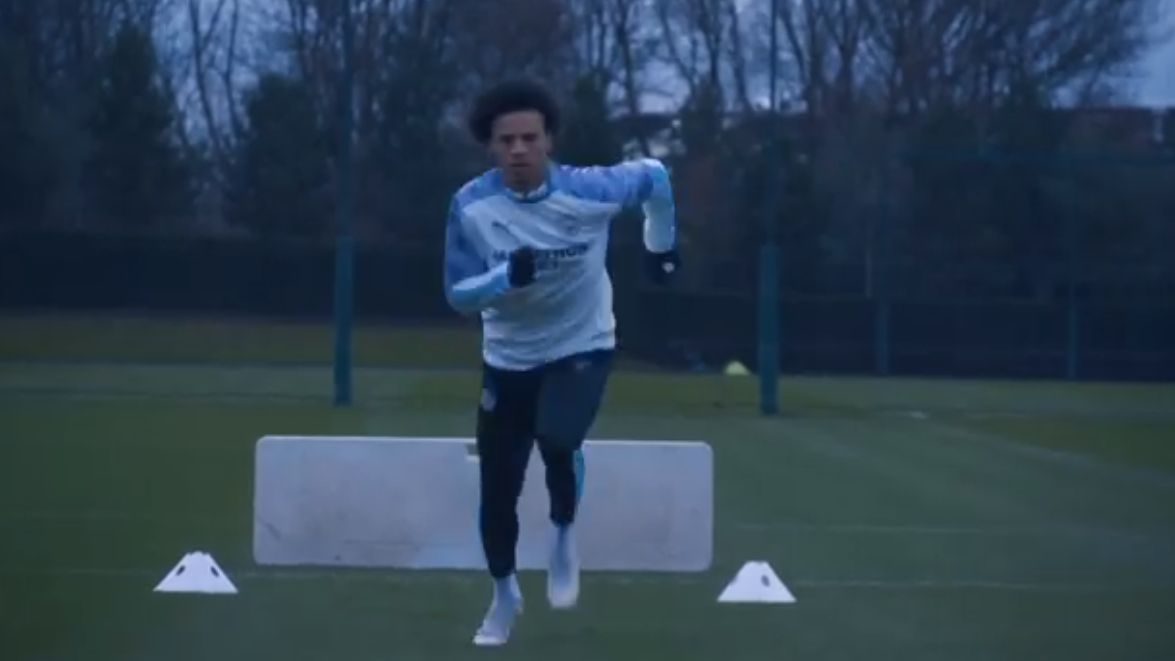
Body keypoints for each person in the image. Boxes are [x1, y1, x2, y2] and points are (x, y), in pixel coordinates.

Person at [442, 78, 681, 647]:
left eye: (530, 137)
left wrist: (662, 247)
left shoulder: (590, 189)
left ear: (549, 141)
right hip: (507, 359)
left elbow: (657, 178)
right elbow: (457, 293)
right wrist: (504, 278)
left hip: (583, 345)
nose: (519, 149)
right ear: (491, 147)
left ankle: (564, 534)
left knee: (557, 436)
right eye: (507, 140)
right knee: (497, 491)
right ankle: (503, 598)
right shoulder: (471, 207)